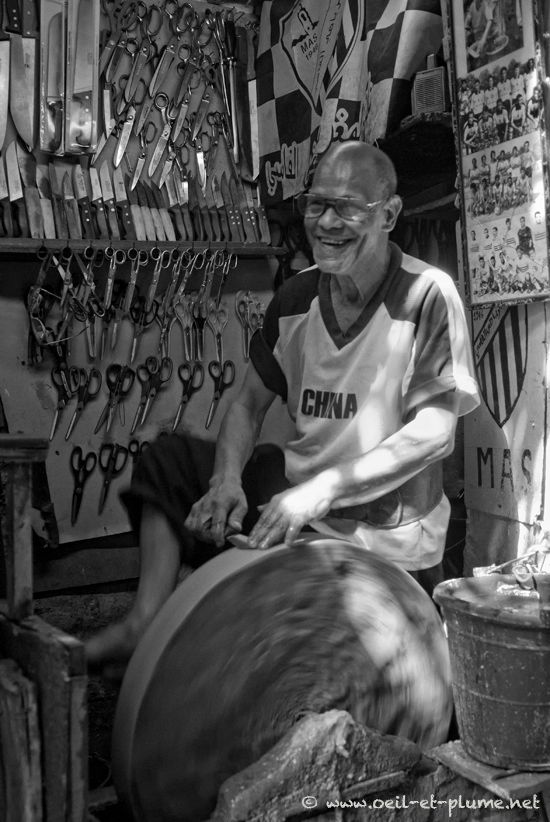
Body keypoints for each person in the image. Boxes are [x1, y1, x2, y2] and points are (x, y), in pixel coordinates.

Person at [85, 142, 480, 671]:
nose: (326, 222)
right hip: (299, 505)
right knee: (172, 461)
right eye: (316, 205)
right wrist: (225, 480)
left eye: (347, 208)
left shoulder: (427, 295)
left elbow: (435, 433)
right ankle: (144, 622)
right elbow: (247, 404)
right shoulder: (295, 298)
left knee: (255, 627)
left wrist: (321, 491)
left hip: (383, 536)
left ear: (388, 216)